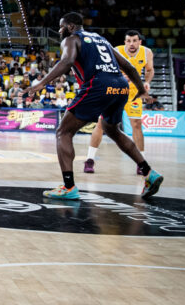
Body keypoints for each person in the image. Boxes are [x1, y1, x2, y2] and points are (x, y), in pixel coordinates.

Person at [23, 13, 162, 200]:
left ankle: (69, 186)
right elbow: (128, 66)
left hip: (98, 85)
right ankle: (148, 172)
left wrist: (41, 83)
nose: (59, 30)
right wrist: (141, 90)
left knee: (63, 132)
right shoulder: (102, 40)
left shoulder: (71, 39)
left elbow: (67, 61)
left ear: (71, 27)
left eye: (61, 26)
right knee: (112, 130)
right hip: (120, 86)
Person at [83, 30, 154, 174]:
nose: (131, 44)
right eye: (128, 41)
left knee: (137, 124)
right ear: (125, 42)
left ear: (140, 42)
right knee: (101, 124)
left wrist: (147, 82)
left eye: (134, 41)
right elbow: (105, 69)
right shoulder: (116, 51)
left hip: (134, 92)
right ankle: (89, 160)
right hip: (115, 89)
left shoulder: (147, 52)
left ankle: (141, 162)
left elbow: (150, 69)